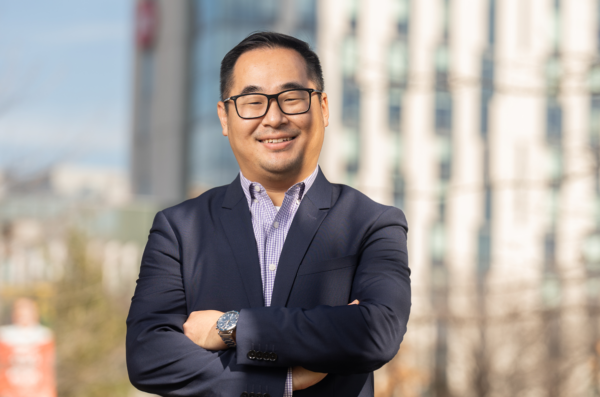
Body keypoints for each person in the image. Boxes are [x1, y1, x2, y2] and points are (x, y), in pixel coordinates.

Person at [126, 32, 411, 397]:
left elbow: (378, 331)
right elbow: (148, 355)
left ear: (323, 108)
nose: (273, 118)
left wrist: (231, 328)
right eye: (252, 101)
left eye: (292, 99)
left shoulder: (371, 223)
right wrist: (281, 381)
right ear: (225, 117)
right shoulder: (180, 229)